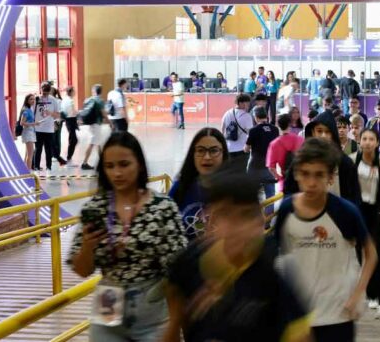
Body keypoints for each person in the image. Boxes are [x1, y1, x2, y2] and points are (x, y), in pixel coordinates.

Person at [164, 167, 312, 342]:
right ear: (209, 219)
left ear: (259, 220)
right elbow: (174, 325)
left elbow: (301, 336)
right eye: (225, 214)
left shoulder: (276, 270)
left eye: (246, 215)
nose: (237, 227)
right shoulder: (189, 263)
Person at [68, 132, 188, 342]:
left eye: (124, 164)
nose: (117, 173)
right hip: (107, 301)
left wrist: (174, 325)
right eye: (110, 166)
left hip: (151, 306)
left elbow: (177, 273)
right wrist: (87, 246)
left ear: (139, 164)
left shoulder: (162, 207)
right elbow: (82, 270)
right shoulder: (95, 208)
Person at [273, 138, 377, 342]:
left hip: (337, 314)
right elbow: (279, 258)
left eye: (319, 175)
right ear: (296, 174)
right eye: (305, 174)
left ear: (330, 177)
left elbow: (371, 254)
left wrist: (357, 294)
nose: (311, 182)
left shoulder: (346, 212)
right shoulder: (286, 210)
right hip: (298, 318)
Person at [351, 129, 380, 318]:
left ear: (378, 142)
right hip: (358, 211)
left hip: (379, 213)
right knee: (362, 253)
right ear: (359, 141)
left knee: (378, 253)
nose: (368, 142)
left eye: (372, 139)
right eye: (365, 139)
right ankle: (371, 294)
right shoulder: (351, 161)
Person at [283, 111, 362, 206]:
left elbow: (354, 197)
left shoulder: (344, 162)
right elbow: (289, 191)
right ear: (312, 132)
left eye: (327, 132)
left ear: (333, 134)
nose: (323, 135)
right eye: (319, 131)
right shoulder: (301, 160)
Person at [169, 128, 229, 239]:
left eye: (214, 151)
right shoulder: (180, 188)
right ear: (193, 154)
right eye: (201, 151)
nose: (207, 157)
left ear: (223, 154)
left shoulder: (236, 190)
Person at [245, 107, 279, 198]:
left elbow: (246, 149)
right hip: (270, 166)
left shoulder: (253, 130)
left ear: (255, 117)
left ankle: (254, 211)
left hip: (255, 165)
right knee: (270, 195)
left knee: (251, 194)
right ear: (266, 116)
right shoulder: (275, 129)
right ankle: (270, 212)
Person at [267, 113, 305, 193]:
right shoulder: (300, 139)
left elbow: (271, 168)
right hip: (302, 180)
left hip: (285, 183)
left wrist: (279, 177)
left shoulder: (274, 144)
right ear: (290, 123)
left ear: (278, 125)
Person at [79, 84, 110, 171]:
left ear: (94, 91)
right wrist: (110, 122)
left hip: (90, 124)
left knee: (98, 143)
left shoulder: (89, 99)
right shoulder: (100, 100)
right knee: (92, 143)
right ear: (100, 91)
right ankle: (84, 163)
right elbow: (104, 113)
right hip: (96, 124)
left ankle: (102, 162)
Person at [33, 83, 61, 172]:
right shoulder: (36, 99)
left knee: (48, 149)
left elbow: (58, 115)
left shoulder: (53, 100)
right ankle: (36, 166)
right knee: (38, 148)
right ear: (40, 89)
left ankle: (48, 166)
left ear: (49, 91)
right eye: (42, 92)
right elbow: (31, 112)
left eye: (46, 93)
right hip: (38, 128)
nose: (44, 94)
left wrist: (50, 113)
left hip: (49, 129)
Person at [221, 94, 254, 162]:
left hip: (228, 149)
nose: (249, 105)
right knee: (241, 171)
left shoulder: (227, 113)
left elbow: (222, 129)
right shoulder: (247, 116)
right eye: (247, 102)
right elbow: (251, 134)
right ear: (240, 103)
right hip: (241, 149)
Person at [19, 94, 39, 170]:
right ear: (27, 100)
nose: (33, 101)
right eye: (31, 99)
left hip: (31, 132)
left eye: (34, 99)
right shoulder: (26, 111)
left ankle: (25, 170)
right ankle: (29, 171)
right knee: (30, 154)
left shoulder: (30, 109)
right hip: (28, 133)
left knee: (28, 153)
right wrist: (34, 124)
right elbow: (22, 123)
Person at [50, 87, 68, 167]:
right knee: (51, 139)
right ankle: (54, 155)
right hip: (50, 123)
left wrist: (57, 121)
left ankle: (56, 155)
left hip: (57, 122)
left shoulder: (58, 101)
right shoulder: (48, 101)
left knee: (57, 138)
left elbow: (60, 112)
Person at [61, 86, 79, 165]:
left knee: (72, 139)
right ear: (71, 92)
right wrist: (79, 113)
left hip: (68, 120)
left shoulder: (65, 99)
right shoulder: (70, 101)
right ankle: (69, 156)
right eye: (74, 91)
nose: (75, 92)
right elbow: (73, 112)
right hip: (71, 120)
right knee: (73, 139)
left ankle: (69, 156)